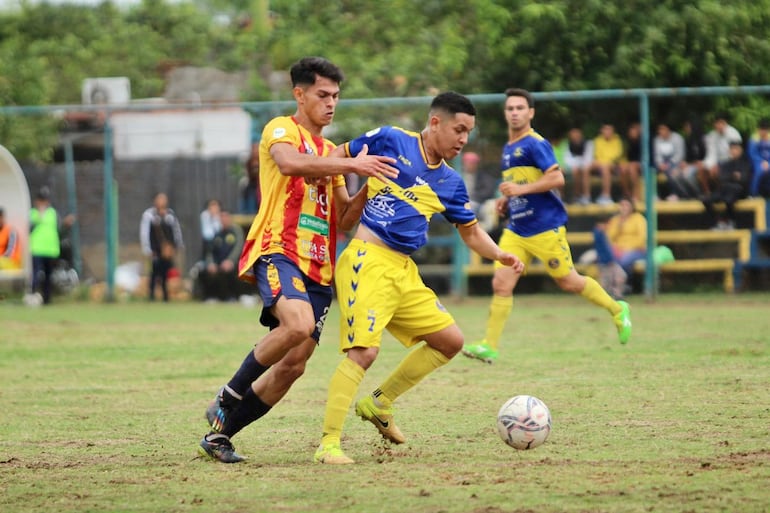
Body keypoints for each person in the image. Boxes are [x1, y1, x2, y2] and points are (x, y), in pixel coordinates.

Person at [197, 56, 399, 463]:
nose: (331, 103)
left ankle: (219, 436)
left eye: (336, 96)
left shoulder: (329, 153)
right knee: (298, 324)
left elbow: (342, 219)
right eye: (323, 95)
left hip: (319, 268)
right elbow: (289, 165)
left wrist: (366, 187)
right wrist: (353, 161)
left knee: (293, 366)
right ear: (300, 94)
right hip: (279, 249)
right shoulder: (280, 130)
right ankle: (228, 394)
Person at [312, 91, 523, 465]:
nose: (463, 139)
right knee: (364, 352)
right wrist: (349, 185)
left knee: (449, 341)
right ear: (436, 122)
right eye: (459, 129)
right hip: (367, 259)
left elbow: (471, 232)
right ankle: (328, 444)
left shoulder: (451, 183)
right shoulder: (391, 140)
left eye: (468, 133)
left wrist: (501, 255)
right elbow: (334, 156)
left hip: (403, 271)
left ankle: (380, 402)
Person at [462, 89, 632, 366]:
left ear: (530, 113)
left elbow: (556, 178)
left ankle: (617, 308)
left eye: (520, 108)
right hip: (517, 229)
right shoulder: (508, 149)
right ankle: (489, 346)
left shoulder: (535, 144)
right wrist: (508, 199)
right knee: (501, 283)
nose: (514, 112)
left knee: (568, 281)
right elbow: (521, 184)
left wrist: (519, 188)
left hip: (545, 228)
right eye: (510, 108)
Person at [593, 197, 647, 299]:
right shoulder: (615, 220)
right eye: (622, 205)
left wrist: (626, 249)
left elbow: (642, 239)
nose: (624, 208)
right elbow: (608, 238)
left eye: (626, 205)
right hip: (618, 249)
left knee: (624, 260)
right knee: (607, 259)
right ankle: (612, 288)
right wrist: (619, 227)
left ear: (632, 207)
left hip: (636, 249)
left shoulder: (639, 219)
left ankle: (627, 285)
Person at [139, 192, 184, 302]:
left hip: (167, 250)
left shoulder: (170, 215)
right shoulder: (149, 215)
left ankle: (165, 296)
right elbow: (144, 233)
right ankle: (151, 296)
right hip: (155, 250)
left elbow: (176, 231)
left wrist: (178, 245)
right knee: (154, 272)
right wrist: (147, 249)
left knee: (165, 273)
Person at [702, 140, 752, 230]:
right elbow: (722, 178)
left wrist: (731, 177)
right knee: (706, 200)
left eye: (736, 149)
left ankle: (730, 222)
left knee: (729, 199)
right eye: (732, 149)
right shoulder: (725, 164)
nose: (734, 151)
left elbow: (744, 179)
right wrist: (733, 176)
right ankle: (716, 222)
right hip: (725, 188)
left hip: (739, 190)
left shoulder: (746, 163)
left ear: (741, 150)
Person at [198, 210, 244, 301]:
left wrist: (230, 261)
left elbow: (238, 247)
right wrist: (211, 263)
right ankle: (210, 297)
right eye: (221, 218)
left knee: (230, 271)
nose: (224, 220)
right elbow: (210, 251)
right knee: (204, 272)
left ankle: (232, 297)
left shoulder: (236, 232)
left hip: (233, 264)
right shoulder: (217, 234)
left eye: (225, 217)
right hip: (219, 263)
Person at [29, 187, 62, 304]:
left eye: (45, 200)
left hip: (50, 250)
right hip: (36, 249)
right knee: (36, 274)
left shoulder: (53, 213)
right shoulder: (32, 213)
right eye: (41, 200)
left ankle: (47, 299)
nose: (43, 202)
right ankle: (32, 295)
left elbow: (58, 228)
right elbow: (29, 228)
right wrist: (39, 215)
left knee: (48, 276)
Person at [699, 112, 742, 197]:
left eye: (721, 123)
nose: (719, 126)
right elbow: (711, 154)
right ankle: (708, 194)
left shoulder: (734, 134)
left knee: (717, 171)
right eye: (717, 123)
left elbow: (735, 154)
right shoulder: (712, 135)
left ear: (725, 123)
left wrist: (720, 165)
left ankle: (722, 193)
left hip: (731, 162)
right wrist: (708, 165)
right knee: (702, 169)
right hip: (717, 162)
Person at [653, 121, 698, 200]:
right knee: (651, 171)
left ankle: (674, 193)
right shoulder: (657, 140)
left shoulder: (677, 138)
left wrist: (669, 163)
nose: (660, 131)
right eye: (659, 129)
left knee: (671, 171)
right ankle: (655, 194)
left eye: (662, 129)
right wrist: (660, 163)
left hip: (674, 162)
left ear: (668, 130)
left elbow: (679, 154)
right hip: (662, 163)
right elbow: (657, 154)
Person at [584, 123, 624, 205]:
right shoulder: (597, 140)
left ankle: (606, 196)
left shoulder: (617, 140)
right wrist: (599, 162)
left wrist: (604, 162)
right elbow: (596, 155)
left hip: (613, 165)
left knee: (605, 167)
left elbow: (617, 155)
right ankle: (586, 196)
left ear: (613, 131)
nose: (607, 131)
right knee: (586, 168)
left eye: (609, 129)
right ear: (602, 130)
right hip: (600, 163)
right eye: (606, 129)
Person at [563, 127, 594, 204]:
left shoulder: (588, 143)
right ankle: (577, 195)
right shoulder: (567, 144)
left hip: (587, 165)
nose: (574, 135)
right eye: (572, 134)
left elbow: (588, 158)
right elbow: (567, 159)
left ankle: (587, 196)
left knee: (585, 170)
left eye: (576, 133)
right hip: (574, 167)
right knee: (575, 171)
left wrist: (580, 164)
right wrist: (577, 164)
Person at [618, 122, 643, 203]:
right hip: (631, 164)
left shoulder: (644, 140)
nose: (633, 132)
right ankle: (626, 194)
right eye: (632, 130)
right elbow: (626, 157)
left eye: (635, 130)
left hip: (642, 164)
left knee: (632, 167)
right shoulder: (628, 142)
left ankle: (637, 195)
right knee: (623, 168)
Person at [748, 118, 770, 198]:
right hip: (758, 161)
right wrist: (762, 161)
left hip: (769, 161)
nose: (763, 132)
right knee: (759, 172)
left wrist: (768, 162)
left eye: (765, 130)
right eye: (761, 129)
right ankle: (753, 194)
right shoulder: (754, 138)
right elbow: (752, 153)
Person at [239, 142, 260, 214]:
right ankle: (247, 211)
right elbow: (249, 174)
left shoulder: (263, 160)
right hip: (253, 183)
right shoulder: (249, 161)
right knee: (248, 192)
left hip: (261, 184)